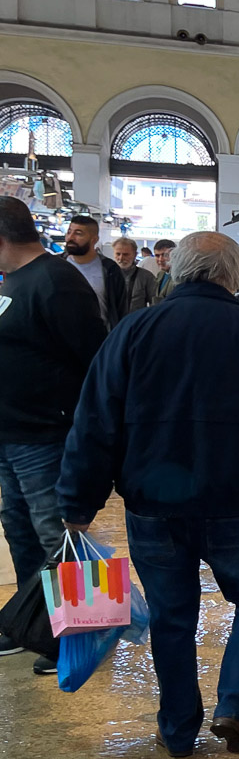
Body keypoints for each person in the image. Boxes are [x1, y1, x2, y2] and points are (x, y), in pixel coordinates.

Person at [55, 231, 239, 758]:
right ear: (232, 275)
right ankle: (236, 706)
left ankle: (178, 729)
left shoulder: (133, 331)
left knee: (172, 615)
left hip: (154, 503)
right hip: (237, 501)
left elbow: (94, 422)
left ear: (175, 270)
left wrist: (77, 503)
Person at [0, 198, 109, 673]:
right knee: (20, 529)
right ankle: (37, 625)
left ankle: (80, 636)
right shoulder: (15, 281)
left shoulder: (57, 282)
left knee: (60, 536)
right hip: (12, 430)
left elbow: (94, 361)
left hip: (46, 433)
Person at [63, 214, 129, 328]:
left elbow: (120, 309)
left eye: (78, 233)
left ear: (94, 239)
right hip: (60, 340)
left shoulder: (110, 270)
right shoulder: (56, 265)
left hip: (100, 339)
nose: (70, 238)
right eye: (69, 232)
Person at [111, 237, 156, 314]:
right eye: (118, 254)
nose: (121, 258)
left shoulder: (146, 277)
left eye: (126, 254)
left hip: (136, 323)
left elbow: (155, 304)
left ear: (135, 255)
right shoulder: (105, 275)